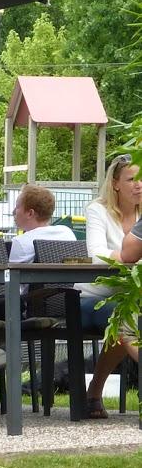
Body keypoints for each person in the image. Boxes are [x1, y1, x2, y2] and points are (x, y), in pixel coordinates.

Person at [81, 154, 142, 418]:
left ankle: (94, 391)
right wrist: (129, 256)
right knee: (124, 319)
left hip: (131, 296)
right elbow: (95, 255)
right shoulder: (98, 210)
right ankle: (94, 392)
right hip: (92, 297)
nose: (138, 184)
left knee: (124, 321)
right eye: (131, 179)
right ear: (115, 183)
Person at [9, 184, 76, 263]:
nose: (13, 212)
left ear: (30, 213)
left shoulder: (20, 243)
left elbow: (11, 274)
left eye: (17, 207)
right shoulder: (67, 233)